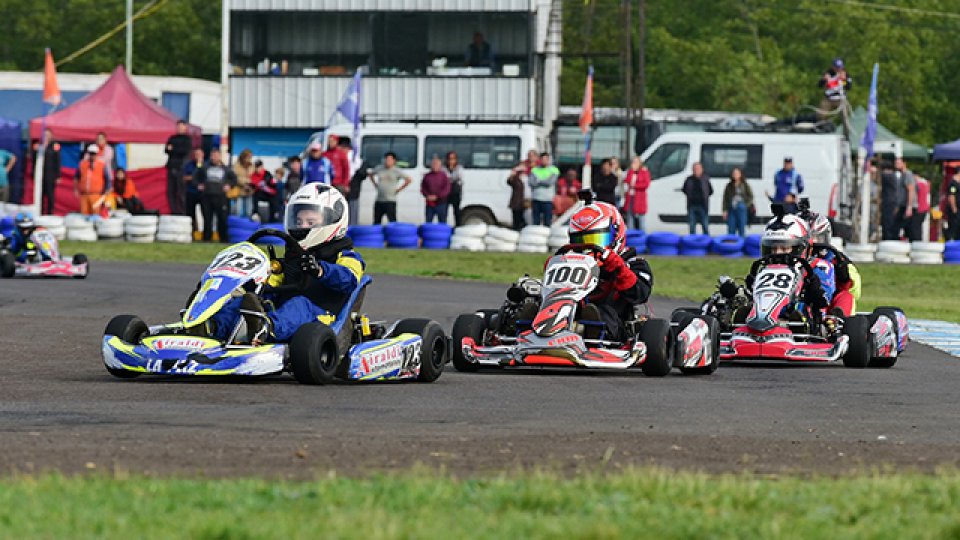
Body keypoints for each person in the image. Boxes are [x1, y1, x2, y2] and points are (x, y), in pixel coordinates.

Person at [208, 183, 364, 344]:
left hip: (323, 318)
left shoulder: (347, 255)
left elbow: (349, 280)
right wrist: (243, 287)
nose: (302, 226)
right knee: (246, 300)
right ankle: (212, 326)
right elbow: (271, 285)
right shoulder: (293, 257)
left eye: (310, 222)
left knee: (299, 305)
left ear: (334, 220)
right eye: (298, 221)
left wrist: (320, 270)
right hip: (284, 314)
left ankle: (265, 328)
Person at [566, 202, 655, 341]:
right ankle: (532, 323)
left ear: (615, 236)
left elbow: (640, 294)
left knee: (602, 312)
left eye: (595, 241)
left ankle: (592, 330)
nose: (588, 249)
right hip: (571, 311)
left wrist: (619, 269)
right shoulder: (570, 263)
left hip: (615, 323)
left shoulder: (635, 263)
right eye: (580, 242)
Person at [745, 212, 833, 325]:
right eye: (773, 248)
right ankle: (752, 318)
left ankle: (798, 321)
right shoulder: (763, 269)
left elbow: (825, 299)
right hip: (769, 315)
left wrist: (813, 289)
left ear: (800, 247)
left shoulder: (819, 266)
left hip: (806, 318)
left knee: (802, 306)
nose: (778, 253)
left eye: (784, 248)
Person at [803, 210, 860, 317]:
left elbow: (855, 292)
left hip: (826, 303)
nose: (812, 243)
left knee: (846, 296)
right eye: (807, 239)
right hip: (799, 299)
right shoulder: (790, 260)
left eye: (815, 238)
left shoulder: (836, 259)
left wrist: (843, 276)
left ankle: (837, 319)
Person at [193, 147, 237, 242]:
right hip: (207, 196)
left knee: (222, 219)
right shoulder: (204, 167)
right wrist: (198, 185)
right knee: (207, 219)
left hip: (221, 197)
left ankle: (223, 239)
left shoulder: (226, 169)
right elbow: (195, 177)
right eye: (213, 156)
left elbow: (234, 179)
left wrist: (229, 185)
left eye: (216, 156)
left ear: (220, 157)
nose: (214, 158)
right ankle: (207, 239)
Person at [367, 152, 412, 224]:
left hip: (390, 201)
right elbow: (370, 174)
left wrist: (399, 189)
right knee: (376, 222)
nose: (387, 161)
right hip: (379, 200)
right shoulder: (379, 168)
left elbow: (409, 180)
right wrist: (375, 184)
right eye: (386, 159)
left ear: (394, 161)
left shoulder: (397, 170)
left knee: (392, 221)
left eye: (389, 160)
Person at [164, 120, 192, 215]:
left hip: (181, 168)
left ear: (185, 128)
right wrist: (173, 149)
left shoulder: (187, 139)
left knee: (180, 192)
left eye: (181, 126)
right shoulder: (172, 138)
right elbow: (166, 150)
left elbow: (184, 151)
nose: (179, 128)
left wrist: (174, 149)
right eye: (178, 126)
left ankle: (182, 212)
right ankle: (173, 211)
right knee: (171, 191)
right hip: (171, 167)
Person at [74, 144, 110, 216]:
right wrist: (76, 189)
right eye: (91, 153)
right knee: (84, 215)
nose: (92, 155)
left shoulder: (101, 165)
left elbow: (107, 179)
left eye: (94, 154)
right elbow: (76, 177)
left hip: (96, 195)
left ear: (97, 154)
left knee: (96, 215)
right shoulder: (82, 164)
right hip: (84, 194)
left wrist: (106, 190)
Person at [722, 167, 754, 237]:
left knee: (741, 229)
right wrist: (724, 210)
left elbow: (751, 196)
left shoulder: (745, 184)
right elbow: (725, 199)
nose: (735, 175)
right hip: (731, 209)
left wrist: (745, 205)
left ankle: (741, 245)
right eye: (734, 173)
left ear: (740, 174)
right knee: (731, 229)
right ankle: (731, 246)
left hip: (742, 209)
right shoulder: (729, 185)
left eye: (737, 173)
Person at [529, 152, 559, 226]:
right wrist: (544, 181)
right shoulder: (534, 170)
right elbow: (532, 183)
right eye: (542, 159)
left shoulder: (554, 170)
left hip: (547, 200)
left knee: (547, 221)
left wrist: (538, 181)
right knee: (536, 221)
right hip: (536, 198)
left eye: (546, 159)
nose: (544, 161)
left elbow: (550, 183)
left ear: (548, 160)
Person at [682, 162, 712, 234]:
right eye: (695, 169)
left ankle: (706, 242)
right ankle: (693, 242)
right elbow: (684, 190)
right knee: (692, 226)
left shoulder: (705, 179)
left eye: (698, 169)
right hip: (692, 206)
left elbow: (710, 191)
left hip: (703, 206)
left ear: (702, 169)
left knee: (705, 226)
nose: (696, 170)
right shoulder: (688, 179)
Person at [622, 156, 650, 231]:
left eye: (635, 162)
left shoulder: (644, 172)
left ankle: (642, 236)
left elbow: (646, 184)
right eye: (633, 162)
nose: (633, 164)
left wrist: (635, 186)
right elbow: (626, 180)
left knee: (641, 220)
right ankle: (631, 235)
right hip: (630, 197)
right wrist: (631, 171)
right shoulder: (630, 172)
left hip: (639, 198)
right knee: (630, 219)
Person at [420, 155, 451, 223]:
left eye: (436, 164)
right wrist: (427, 195)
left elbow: (447, 189)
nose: (435, 166)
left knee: (442, 223)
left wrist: (437, 197)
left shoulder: (444, 176)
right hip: (429, 204)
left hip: (441, 203)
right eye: (433, 164)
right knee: (428, 222)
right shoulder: (427, 176)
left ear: (440, 166)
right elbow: (423, 188)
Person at [182, 148, 206, 233]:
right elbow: (184, 177)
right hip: (191, 191)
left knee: (205, 214)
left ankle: (205, 233)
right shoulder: (189, 165)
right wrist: (193, 177)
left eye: (200, 155)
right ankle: (191, 232)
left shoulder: (206, 165)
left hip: (203, 193)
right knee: (190, 213)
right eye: (196, 155)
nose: (198, 156)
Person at [37, 129, 61, 214]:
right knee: (40, 196)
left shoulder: (54, 146)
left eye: (48, 135)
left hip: (50, 176)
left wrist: (58, 176)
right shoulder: (39, 145)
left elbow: (57, 161)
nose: (46, 137)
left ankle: (50, 212)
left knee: (50, 195)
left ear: (51, 136)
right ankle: (40, 212)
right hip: (40, 176)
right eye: (44, 135)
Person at [893, 158, 917, 240]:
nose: (896, 165)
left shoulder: (908, 174)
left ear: (904, 163)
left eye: (898, 163)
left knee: (902, 227)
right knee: (903, 228)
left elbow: (911, 190)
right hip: (902, 205)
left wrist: (909, 207)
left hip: (908, 206)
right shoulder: (901, 175)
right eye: (896, 163)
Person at [231, 149, 255, 217]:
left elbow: (254, 177)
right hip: (239, 191)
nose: (250, 159)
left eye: (251, 157)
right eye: (248, 157)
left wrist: (250, 184)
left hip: (249, 191)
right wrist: (245, 183)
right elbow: (235, 177)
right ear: (243, 157)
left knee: (249, 212)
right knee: (238, 211)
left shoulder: (252, 166)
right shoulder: (236, 165)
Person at [445, 151, 464, 226]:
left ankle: (458, 226)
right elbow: (444, 178)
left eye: (453, 159)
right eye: (449, 159)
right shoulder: (444, 168)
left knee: (456, 211)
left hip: (455, 192)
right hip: (446, 192)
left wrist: (450, 179)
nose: (451, 161)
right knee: (444, 211)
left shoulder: (459, 168)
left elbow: (458, 178)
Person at [911, 175, 930, 242]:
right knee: (918, 227)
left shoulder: (919, 184)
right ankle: (919, 241)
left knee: (915, 227)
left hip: (919, 208)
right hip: (925, 209)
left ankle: (916, 242)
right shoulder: (926, 183)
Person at [942, 170, 960, 241]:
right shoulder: (953, 183)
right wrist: (954, 209)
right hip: (956, 211)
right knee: (954, 227)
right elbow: (951, 196)